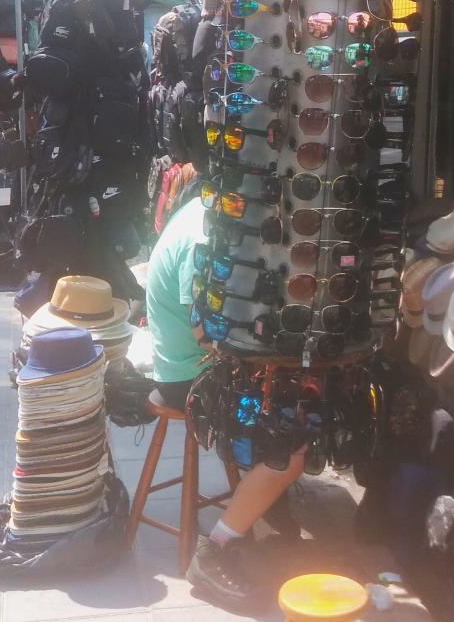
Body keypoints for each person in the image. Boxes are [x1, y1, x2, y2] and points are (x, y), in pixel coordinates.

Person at [143, 194, 303, 609]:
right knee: (293, 441)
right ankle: (215, 549)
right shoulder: (205, 231)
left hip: (196, 366)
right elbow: (205, 332)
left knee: (289, 397)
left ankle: (264, 507)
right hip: (189, 377)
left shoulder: (207, 209)